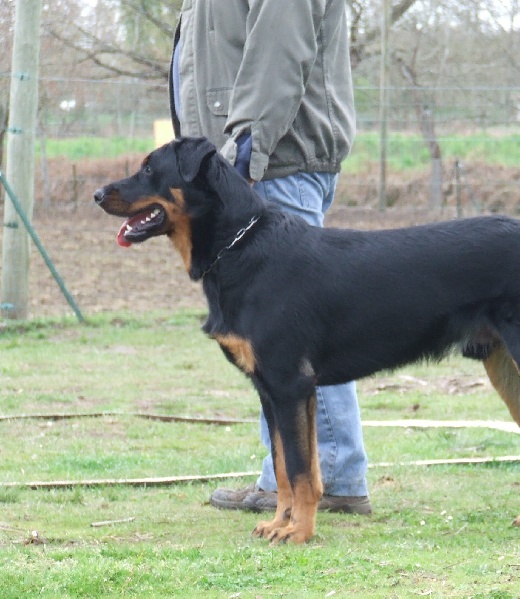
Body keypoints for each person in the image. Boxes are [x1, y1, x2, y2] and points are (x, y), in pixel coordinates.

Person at [168, 0, 371, 515]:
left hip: (270, 162)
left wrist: (245, 149)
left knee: (293, 335)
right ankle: (292, 476)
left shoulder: (255, 159)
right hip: (259, 161)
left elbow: (279, 46)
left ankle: (328, 476)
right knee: (281, 336)